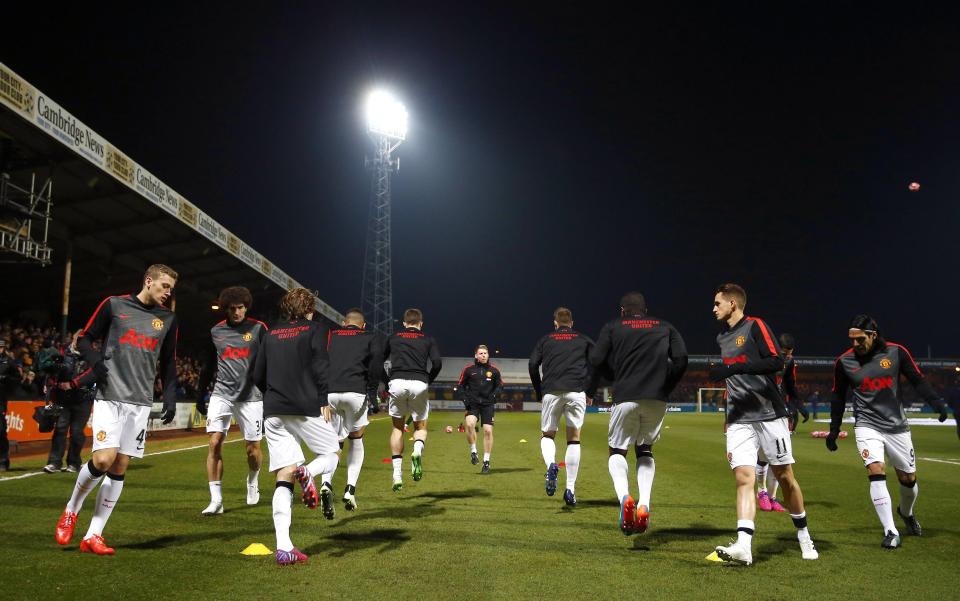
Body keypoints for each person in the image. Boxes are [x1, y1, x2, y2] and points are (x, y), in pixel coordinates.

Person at [54, 264, 179, 555]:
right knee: (102, 460)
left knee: (120, 466)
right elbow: (84, 338)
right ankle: (72, 508)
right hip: (110, 395)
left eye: (171, 288)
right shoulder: (114, 305)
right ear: (148, 281)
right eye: (164, 286)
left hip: (140, 401)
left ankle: (93, 535)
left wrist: (169, 397)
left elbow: (170, 362)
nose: (168, 293)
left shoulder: (169, 319)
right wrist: (96, 361)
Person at [708, 283, 818, 564]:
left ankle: (804, 536)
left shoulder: (755, 326)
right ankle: (744, 545)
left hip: (769, 414)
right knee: (744, 478)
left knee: (784, 476)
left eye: (718, 303)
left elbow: (775, 362)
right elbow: (734, 383)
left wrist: (734, 368)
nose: (714, 308)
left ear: (733, 303)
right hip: (738, 418)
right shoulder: (722, 338)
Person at [825, 315, 950, 549]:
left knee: (908, 479)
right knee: (875, 470)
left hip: (897, 427)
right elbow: (838, 397)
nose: (855, 344)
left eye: (860, 339)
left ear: (873, 335)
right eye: (851, 340)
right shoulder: (844, 362)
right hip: (866, 424)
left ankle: (906, 512)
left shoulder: (896, 352)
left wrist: (937, 403)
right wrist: (834, 429)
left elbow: (917, 380)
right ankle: (890, 531)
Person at [251, 288, 339, 565]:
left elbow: (257, 374)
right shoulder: (316, 329)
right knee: (332, 454)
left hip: (274, 409)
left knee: (283, 477)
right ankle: (309, 472)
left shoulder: (270, 333)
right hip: (305, 406)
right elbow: (320, 364)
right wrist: (322, 397)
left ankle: (284, 547)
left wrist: (274, 395)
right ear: (309, 309)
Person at [589, 292, 688, 534]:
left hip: (626, 396)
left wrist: (614, 376)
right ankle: (644, 503)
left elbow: (595, 358)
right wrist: (667, 384)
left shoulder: (613, 326)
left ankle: (625, 497)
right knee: (644, 450)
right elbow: (681, 358)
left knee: (617, 451)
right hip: (656, 398)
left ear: (622, 311)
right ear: (645, 310)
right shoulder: (665, 326)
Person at [195, 286, 267, 515]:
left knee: (252, 450)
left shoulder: (258, 329)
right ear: (226, 309)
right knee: (214, 442)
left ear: (246, 307)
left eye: (240, 308)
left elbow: (270, 361)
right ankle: (216, 500)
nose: (236, 312)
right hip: (222, 393)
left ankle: (253, 481)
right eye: (232, 309)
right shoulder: (216, 331)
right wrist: (200, 394)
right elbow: (208, 365)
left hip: (251, 397)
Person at [529, 307, 598, 506]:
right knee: (574, 440)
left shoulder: (546, 339)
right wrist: (590, 391)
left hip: (552, 391)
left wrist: (539, 390)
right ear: (572, 323)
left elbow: (533, 364)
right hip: (576, 391)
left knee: (548, 435)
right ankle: (570, 490)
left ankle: (551, 464)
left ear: (555, 323)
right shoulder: (583, 339)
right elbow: (598, 363)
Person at [323, 307, 384, 512]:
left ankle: (325, 483)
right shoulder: (370, 337)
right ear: (363, 325)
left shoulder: (331, 335)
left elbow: (319, 362)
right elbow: (376, 365)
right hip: (355, 393)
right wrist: (373, 392)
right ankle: (350, 489)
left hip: (330, 393)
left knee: (333, 443)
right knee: (356, 438)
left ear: (343, 323)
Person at [382, 308, 442, 491]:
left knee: (397, 428)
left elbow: (377, 361)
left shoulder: (393, 337)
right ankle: (416, 451)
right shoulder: (428, 339)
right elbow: (438, 363)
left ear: (404, 323)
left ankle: (397, 476)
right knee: (420, 427)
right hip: (419, 383)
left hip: (397, 382)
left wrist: (387, 382)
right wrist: (427, 381)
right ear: (421, 324)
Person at [754, 332, 808, 512]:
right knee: (763, 457)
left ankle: (772, 496)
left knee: (780, 458)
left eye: (790, 353)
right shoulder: (763, 359)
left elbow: (790, 386)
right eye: (785, 353)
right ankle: (761, 492)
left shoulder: (789, 363)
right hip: (761, 413)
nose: (788, 357)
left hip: (780, 413)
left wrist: (799, 405)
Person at [43, 330, 95, 473]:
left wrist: (74, 384)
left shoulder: (92, 356)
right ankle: (54, 463)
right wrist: (51, 381)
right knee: (60, 429)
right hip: (62, 397)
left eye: (83, 339)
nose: (80, 342)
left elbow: (93, 375)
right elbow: (51, 371)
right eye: (78, 338)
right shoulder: (62, 352)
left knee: (77, 432)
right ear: (73, 338)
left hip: (82, 399)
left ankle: (74, 463)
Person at [457, 344, 503, 474]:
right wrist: (465, 400)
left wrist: (494, 395)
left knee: (488, 431)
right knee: (470, 424)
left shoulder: (494, 370)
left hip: (488, 404)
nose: (483, 355)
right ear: (476, 355)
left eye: (485, 353)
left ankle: (486, 462)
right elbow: (460, 386)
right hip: (473, 403)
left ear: (488, 355)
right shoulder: (468, 370)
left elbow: (500, 386)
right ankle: (473, 451)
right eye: (481, 353)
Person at [0, 337, 13, 471]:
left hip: (1, 399)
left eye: (1, 347)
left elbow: (17, 378)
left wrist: (6, 380)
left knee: (0, 430)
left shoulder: (8, 362)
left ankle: (3, 460)